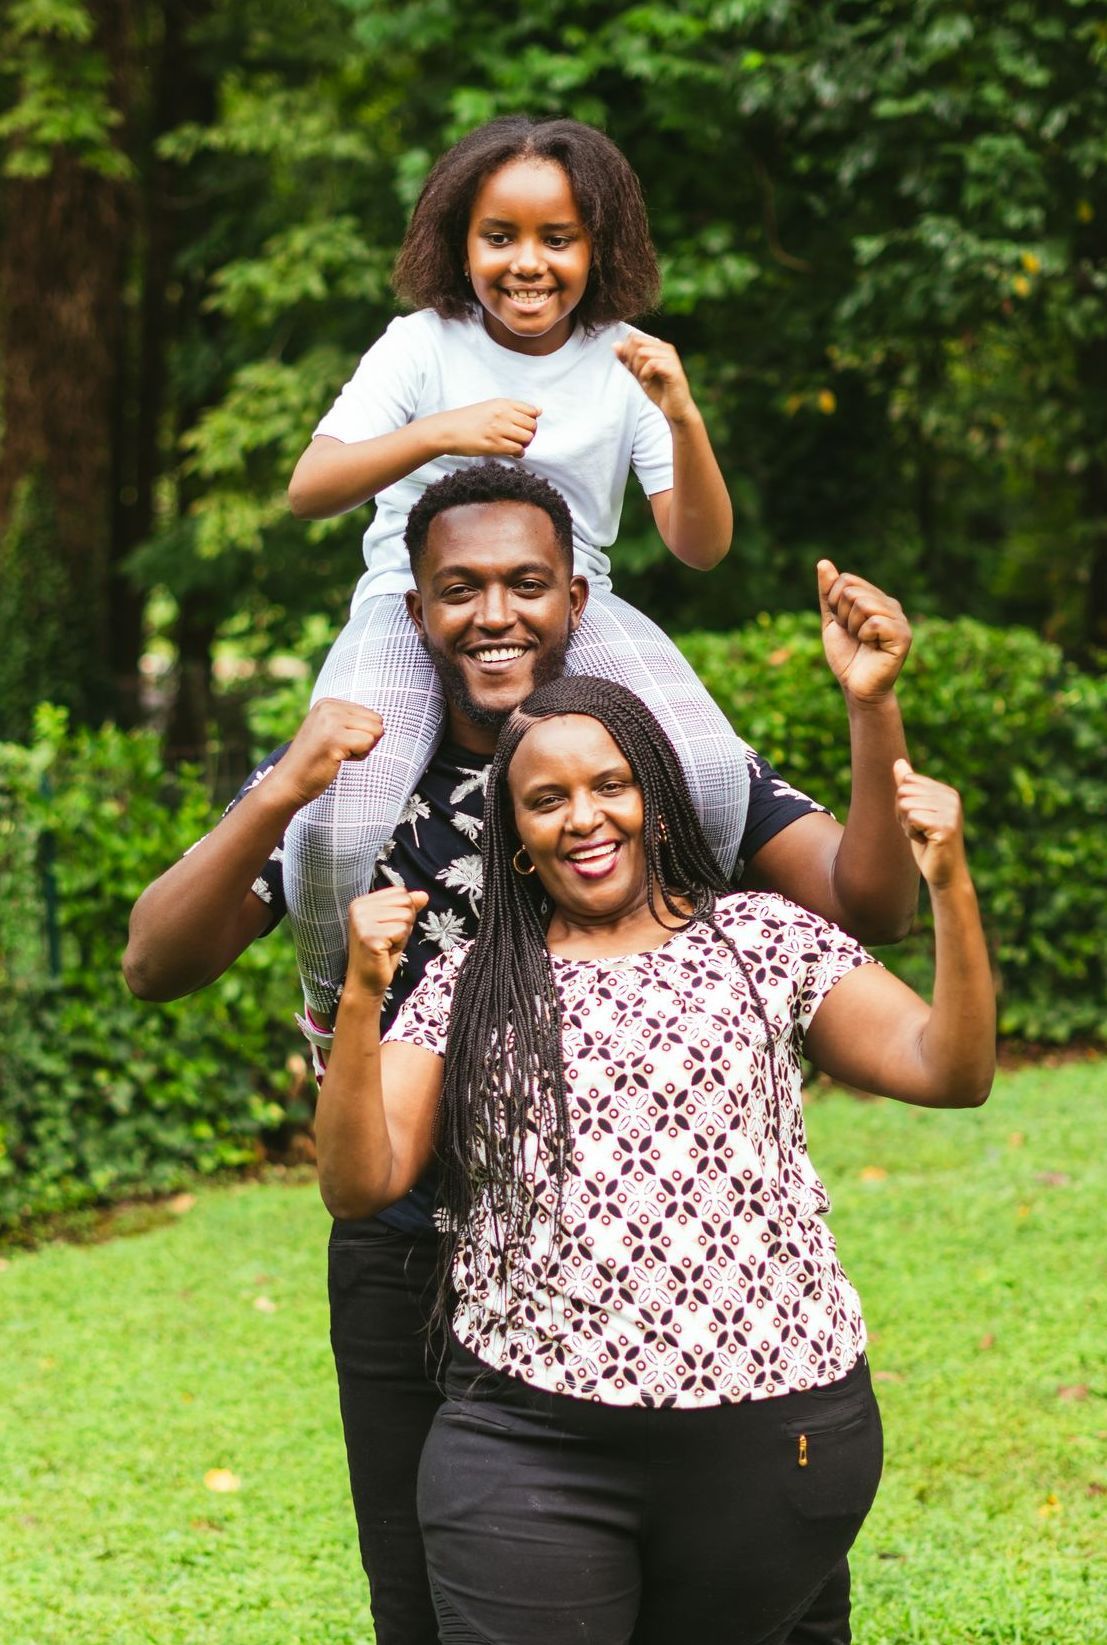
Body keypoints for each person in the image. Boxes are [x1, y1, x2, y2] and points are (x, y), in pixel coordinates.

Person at [124, 462, 920, 1645]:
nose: (494, 615)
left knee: (773, 1609)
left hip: (625, 1274)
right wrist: (279, 791)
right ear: (415, 611)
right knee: (432, 1611)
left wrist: (871, 710)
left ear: (576, 601)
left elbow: (870, 908)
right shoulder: (357, 788)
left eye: (526, 585)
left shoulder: (646, 766)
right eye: (460, 588)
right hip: (408, 1255)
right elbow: (155, 962)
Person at [318, 674, 995, 1645]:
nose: (584, 817)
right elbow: (360, 1180)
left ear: (658, 799)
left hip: (771, 1433)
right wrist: (359, 1000)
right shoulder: (469, 982)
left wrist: (951, 888)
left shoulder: (764, 939)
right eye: (547, 799)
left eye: (610, 785)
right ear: (515, 833)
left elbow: (950, 1067)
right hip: (530, 1443)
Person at [284, 114, 746, 1030]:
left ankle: (683, 981)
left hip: (577, 610)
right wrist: (436, 434)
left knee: (714, 777)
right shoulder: (421, 344)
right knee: (336, 822)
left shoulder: (623, 358)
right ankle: (332, 1012)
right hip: (409, 609)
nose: (526, 262)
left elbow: (700, 544)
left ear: (595, 247)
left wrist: (683, 418)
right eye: (500, 237)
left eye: (556, 239)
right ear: (460, 244)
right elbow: (309, 488)